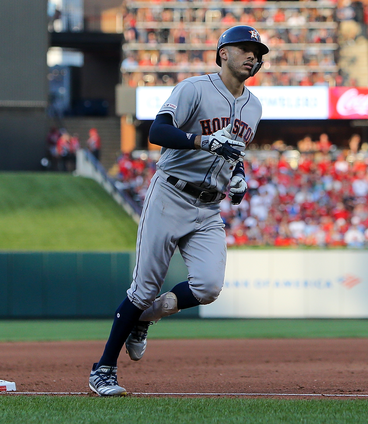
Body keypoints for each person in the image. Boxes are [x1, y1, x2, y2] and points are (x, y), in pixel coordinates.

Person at [88, 25, 267, 397]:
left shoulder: (255, 106)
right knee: (142, 289)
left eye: (257, 50)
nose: (253, 55)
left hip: (208, 207)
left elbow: (235, 151)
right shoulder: (195, 89)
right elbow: (157, 131)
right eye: (245, 48)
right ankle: (102, 369)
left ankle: (145, 319)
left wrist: (238, 176)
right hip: (170, 195)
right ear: (223, 53)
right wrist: (201, 140)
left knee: (208, 286)